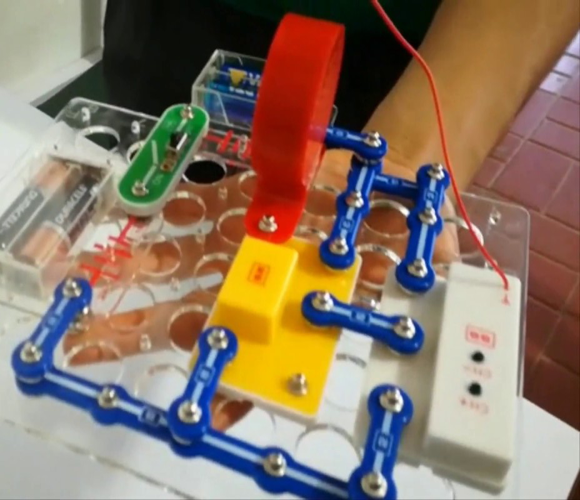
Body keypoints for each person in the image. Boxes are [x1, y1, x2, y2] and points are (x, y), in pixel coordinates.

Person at [66, 0, 580, 429]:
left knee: (327, 356)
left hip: (402, 60)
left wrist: (405, 156)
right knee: (141, 223)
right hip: (167, 25)